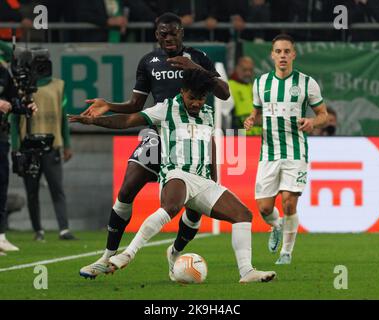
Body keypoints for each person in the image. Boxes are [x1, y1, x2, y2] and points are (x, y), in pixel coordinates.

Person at [70, 68, 276, 283]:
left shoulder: (207, 113)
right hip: (176, 173)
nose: (196, 103)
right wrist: (95, 121)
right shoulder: (166, 108)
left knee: (243, 215)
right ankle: (128, 253)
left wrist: (214, 178)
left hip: (203, 180)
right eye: (192, 98)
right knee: (171, 207)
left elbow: (210, 143)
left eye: (201, 98)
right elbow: (129, 120)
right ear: (183, 91)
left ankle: (246, 272)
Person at [78, 12, 229, 279]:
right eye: (163, 33)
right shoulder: (148, 62)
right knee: (126, 189)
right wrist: (109, 105)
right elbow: (136, 105)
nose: (168, 38)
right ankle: (106, 257)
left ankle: (175, 251)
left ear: (182, 33)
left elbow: (223, 92)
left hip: (191, 139)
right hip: (158, 135)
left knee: (194, 211)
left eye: (173, 33)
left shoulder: (199, 58)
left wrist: (195, 68)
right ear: (156, 35)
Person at [244, 34, 328, 264]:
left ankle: (286, 252)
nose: (282, 55)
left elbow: (324, 115)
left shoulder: (306, 82)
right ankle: (277, 225)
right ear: (272, 55)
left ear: (293, 54)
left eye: (287, 51)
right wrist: (252, 120)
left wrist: (312, 122)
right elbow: (258, 114)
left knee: (289, 202)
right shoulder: (260, 83)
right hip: (269, 152)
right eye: (278, 51)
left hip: (295, 151)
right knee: (264, 208)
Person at [11, 57, 76, 242]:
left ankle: (64, 229)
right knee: (32, 191)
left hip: (51, 144)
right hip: (28, 146)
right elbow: (15, 120)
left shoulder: (58, 85)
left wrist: (67, 144)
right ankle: (38, 230)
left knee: (57, 188)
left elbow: (63, 116)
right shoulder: (22, 87)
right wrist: (15, 146)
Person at [0, 60, 37, 254]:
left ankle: (0, 236)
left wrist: (26, 107)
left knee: (2, 185)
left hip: (1, 136)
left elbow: (12, 102)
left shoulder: (4, 72)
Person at [229, 56, 261, 135]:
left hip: (257, 137)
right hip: (238, 137)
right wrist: (256, 120)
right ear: (237, 68)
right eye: (245, 70)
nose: (248, 73)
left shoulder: (252, 86)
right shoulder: (229, 86)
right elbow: (226, 117)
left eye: (250, 70)